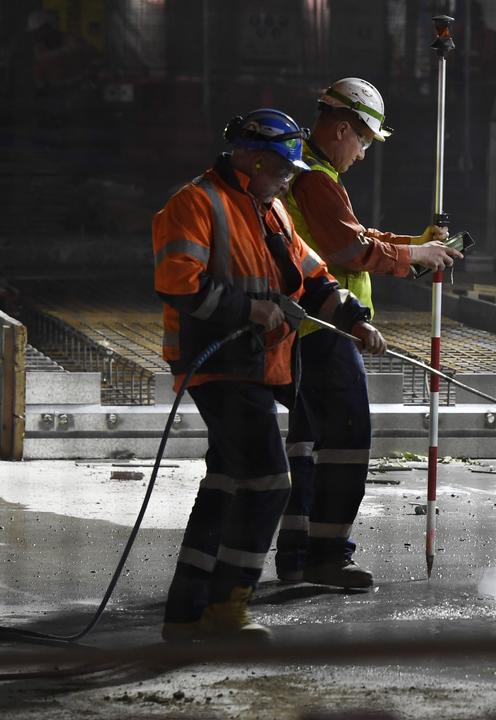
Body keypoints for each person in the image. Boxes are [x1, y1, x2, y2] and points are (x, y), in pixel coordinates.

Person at [154, 107, 386, 643]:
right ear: (254, 159)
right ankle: (228, 608)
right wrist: (250, 309)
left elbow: (310, 275)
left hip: (260, 365)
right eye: (282, 169)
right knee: (269, 481)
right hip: (217, 363)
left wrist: (353, 317)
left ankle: (187, 613)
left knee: (226, 484)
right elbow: (177, 283)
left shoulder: (269, 208)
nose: (289, 179)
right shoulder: (195, 203)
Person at [274, 77, 463, 588]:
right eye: (362, 141)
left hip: (308, 327)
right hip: (325, 325)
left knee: (308, 445)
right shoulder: (315, 178)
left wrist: (415, 245)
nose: (362, 153)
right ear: (341, 129)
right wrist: (412, 259)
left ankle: (296, 555)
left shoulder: (309, 171)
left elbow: (355, 236)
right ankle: (328, 556)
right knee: (348, 439)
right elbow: (347, 252)